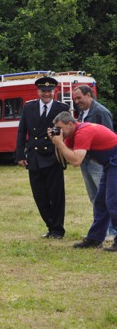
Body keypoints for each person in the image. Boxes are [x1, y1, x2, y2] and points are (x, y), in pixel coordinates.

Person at [50, 111, 117, 252]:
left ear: (70, 124)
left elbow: (75, 160)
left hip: (114, 161)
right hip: (110, 163)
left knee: (113, 201)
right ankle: (95, 239)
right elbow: (64, 160)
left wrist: (60, 143)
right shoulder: (71, 134)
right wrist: (57, 143)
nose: (59, 132)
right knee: (100, 202)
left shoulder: (83, 132)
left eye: (60, 129)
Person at [15, 77, 69, 239]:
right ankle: (50, 225)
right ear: (38, 91)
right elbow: (21, 131)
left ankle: (58, 229)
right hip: (34, 157)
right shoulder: (29, 107)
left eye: (50, 91)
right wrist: (19, 154)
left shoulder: (62, 108)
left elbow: (67, 131)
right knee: (40, 195)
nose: (47, 93)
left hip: (53, 156)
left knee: (56, 195)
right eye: (43, 91)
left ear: (55, 91)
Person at [73, 85, 116, 240]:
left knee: (108, 197)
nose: (77, 101)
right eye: (75, 99)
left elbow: (109, 137)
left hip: (100, 162)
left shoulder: (101, 112)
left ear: (89, 95)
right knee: (95, 197)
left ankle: (113, 231)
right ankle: (100, 230)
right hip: (86, 161)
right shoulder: (81, 113)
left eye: (79, 98)